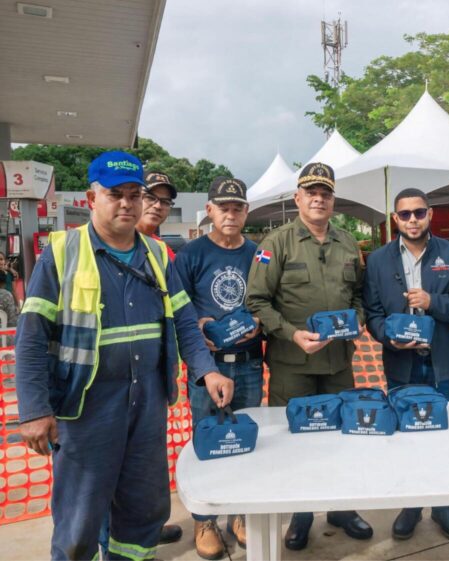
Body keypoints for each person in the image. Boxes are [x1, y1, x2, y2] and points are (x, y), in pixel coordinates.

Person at [14, 151, 234, 561]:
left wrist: (206, 372)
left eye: (135, 194)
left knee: (144, 508)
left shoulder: (156, 254)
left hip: (147, 402)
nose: (127, 203)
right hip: (85, 408)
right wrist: (33, 409)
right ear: (90, 197)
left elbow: (185, 319)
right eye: (115, 194)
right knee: (80, 514)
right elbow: (30, 337)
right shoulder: (62, 252)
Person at [245, 162, 373, 551]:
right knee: (294, 442)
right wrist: (290, 334)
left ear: (334, 200)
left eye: (326, 193)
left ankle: (340, 508)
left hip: (338, 363)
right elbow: (257, 301)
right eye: (311, 192)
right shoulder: (275, 243)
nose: (319, 198)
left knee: (342, 436)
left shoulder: (349, 243)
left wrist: (358, 323)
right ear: (298, 198)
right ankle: (299, 514)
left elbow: (358, 297)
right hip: (292, 365)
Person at [363, 188, 449, 541]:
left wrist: (432, 302)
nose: (412, 219)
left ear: (430, 215)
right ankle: (411, 504)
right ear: (394, 219)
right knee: (407, 436)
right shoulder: (378, 260)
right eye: (405, 214)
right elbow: (372, 314)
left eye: (419, 212)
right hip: (402, 365)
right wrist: (388, 337)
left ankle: (443, 505)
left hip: (443, 363)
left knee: (441, 435)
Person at [175, 176, 264, 559]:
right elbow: (178, 308)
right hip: (207, 366)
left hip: (248, 362)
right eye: (223, 207)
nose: (230, 214)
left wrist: (261, 319)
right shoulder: (191, 254)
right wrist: (197, 326)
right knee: (206, 441)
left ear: (246, 212)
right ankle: (203, 519)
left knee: (246, 442)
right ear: (209, 210)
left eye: (237, 207)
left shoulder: (260, 254)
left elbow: (268, 296)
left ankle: (240, 514)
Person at [97, 172, 185, 552]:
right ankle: (107, 542)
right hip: (100, 392)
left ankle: (141, 530)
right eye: (148, 197)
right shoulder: (99, 246)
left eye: (164, 201)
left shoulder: (159, 251)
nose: (156, 206)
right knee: (103, 478)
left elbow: (178, 311)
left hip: (149, 386)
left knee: (141, 474)